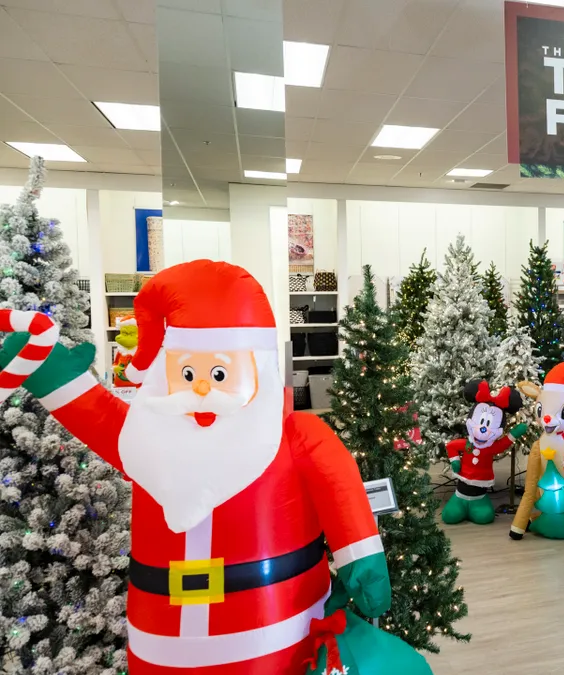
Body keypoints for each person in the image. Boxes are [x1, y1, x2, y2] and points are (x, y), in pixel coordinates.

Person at [0, 260, 429, 675]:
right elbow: (94, 412)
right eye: (186, 372)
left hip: (277, 626)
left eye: (219, 373)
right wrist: (45, 367)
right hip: (159, 636)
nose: (201, 387)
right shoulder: (146, 439)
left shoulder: (296, 436)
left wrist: (362, 560)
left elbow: (340, 490)